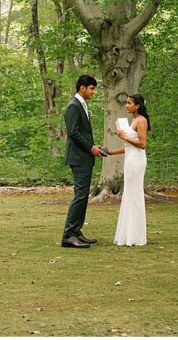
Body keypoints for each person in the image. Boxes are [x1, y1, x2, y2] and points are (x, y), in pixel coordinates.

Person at [61, 74, 106, 248]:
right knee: (80, 196)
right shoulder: (73, 105)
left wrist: (93, 146)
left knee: (83, 196)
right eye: (92, 88)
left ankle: (76, 232)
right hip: (78, 158)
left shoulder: (81, 104)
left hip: (84, 157)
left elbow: (82, 132)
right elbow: (73, 132)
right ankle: (68, 235)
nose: (93, 92)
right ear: (82, 88)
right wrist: (91, 148)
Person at [109, 93, 149, 246]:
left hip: (137, 161)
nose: (126, 105)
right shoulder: (133, 120)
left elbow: (142, 144)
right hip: (130, 159)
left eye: (129, 103)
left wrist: (124, 137)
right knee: (129, 194)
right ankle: (129, 234)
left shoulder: (141, 121)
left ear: (137, 106)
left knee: (134, 194)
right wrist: (111, 152)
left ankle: (136, 236)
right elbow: (129, 146)